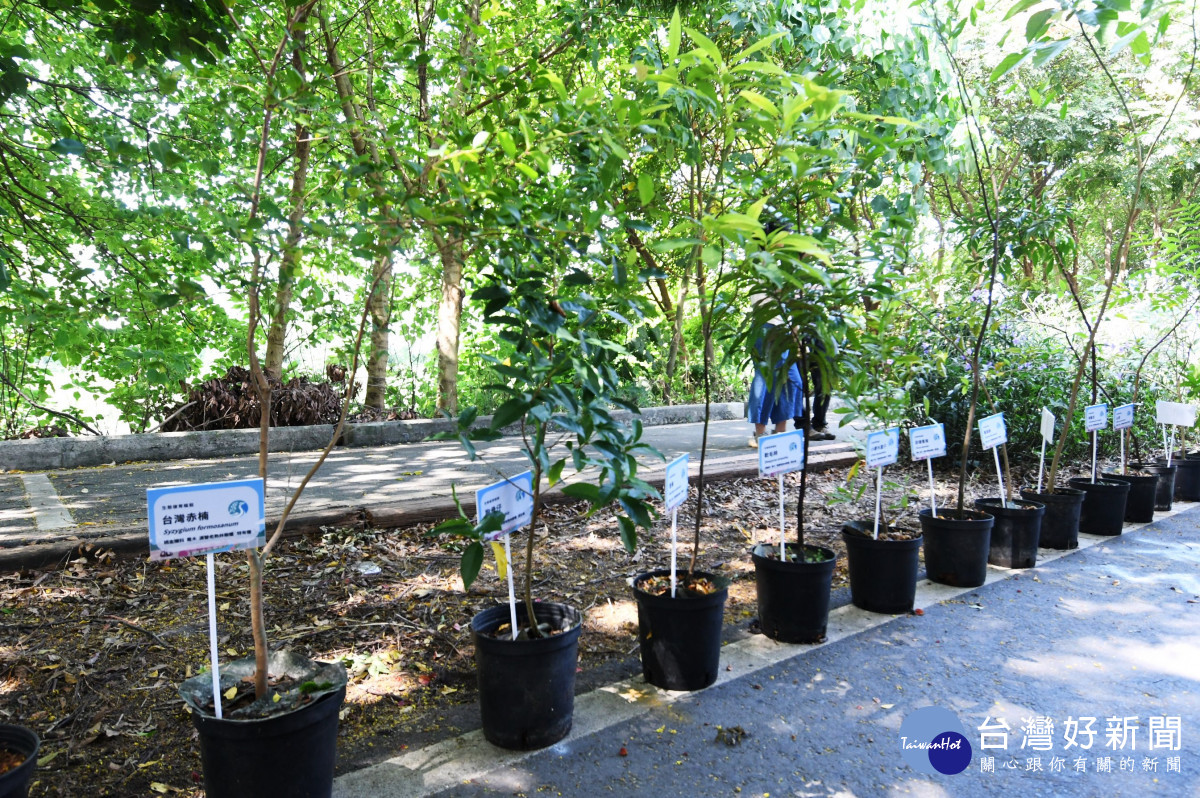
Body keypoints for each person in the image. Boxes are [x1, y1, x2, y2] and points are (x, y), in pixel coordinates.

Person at [747, 322, 804, 448]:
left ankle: (780, 431)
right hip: (765, 325)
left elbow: (791, 308)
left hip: (786, 331)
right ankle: (760, 433)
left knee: (792, 380)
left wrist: (795, 335)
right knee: (766, 379)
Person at [796, 335, 835, 441]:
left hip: (819, 331)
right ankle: (804, 425)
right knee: (796, 383)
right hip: (797, 331)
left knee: (825, 380)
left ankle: (819, 423)